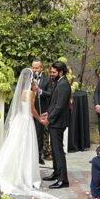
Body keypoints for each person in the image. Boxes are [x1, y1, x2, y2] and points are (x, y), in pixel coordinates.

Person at [40, 61, 72, 189]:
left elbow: (60, 106)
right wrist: (47, 113)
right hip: (55, 120)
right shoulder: (59, 82)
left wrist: (49, 119)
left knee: (58, 151)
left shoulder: (64, 84)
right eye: (50, 72)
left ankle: (63, 180)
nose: (51, 74)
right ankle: (56, 173)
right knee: (54, 149)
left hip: (58, 123)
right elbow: (54, 103)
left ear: (61, 72)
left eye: (54, 72)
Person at [31, 60, 52, 165]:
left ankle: (38, 156)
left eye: (37, 68)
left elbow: (50, 93)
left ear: (41, 68)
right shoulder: (28, 79)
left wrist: (40, 91)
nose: (35, 70)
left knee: (39, 134)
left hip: (41, 110)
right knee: (30, 133)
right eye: (33, 68)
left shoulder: (47, 79)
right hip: (29, 110)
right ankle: (29, 155)